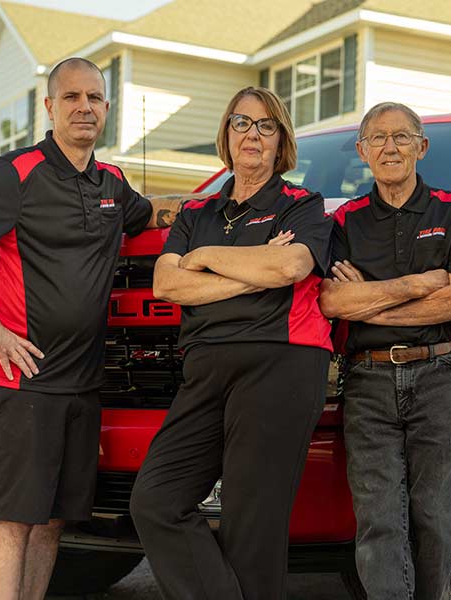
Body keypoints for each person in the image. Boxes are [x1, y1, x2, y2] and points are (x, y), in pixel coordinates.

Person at [0, 57, 182, 600]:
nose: (85, 107)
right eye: (72, 97)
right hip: (21, 381)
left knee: (52, 523)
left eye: (95, 98)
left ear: (107, 108)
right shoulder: (17, 174)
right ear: (50, 107)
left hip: (82, 386)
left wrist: (214, 207)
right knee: (13, 521)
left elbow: (152, 214)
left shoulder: (110, 182)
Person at [128, 86, 333, 600]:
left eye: (266, 126)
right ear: (226, 133)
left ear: (280, 140)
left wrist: (204, 259)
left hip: (279, 363)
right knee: (155, 500)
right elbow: (167, 284)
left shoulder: (302, 205)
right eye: (242, 123)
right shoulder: (197, 213)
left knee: (251, 527)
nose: (252, 135)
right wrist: (253, 272)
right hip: (203, 372)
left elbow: (291, 265)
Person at [318, 102, 451, 600]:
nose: (390, 147)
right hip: (368, 380)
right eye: (378, 139)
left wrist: (370, 300)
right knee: (378, 521)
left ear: (421, 147)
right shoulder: (344, 220)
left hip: (443, 373)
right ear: (364, 151)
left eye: (401, 137)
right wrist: (418, 285)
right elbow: (332, 300)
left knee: (436, 513)